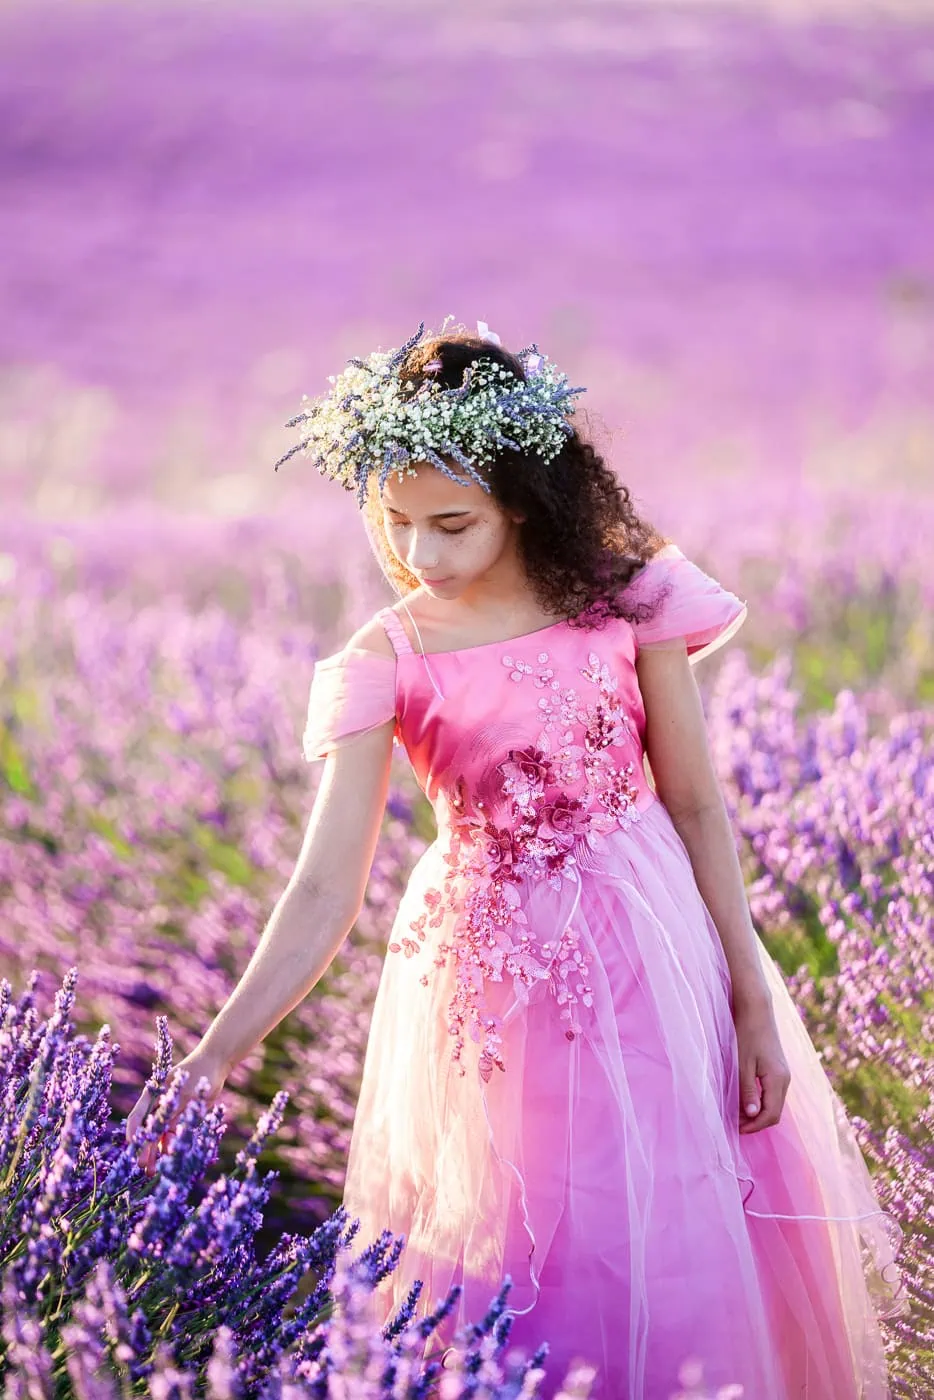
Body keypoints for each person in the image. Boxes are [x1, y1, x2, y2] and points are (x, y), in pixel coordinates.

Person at [126, 319, 905, 1399]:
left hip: (651, 946)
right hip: (490, 988)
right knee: (519, 1245)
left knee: (675, 1220)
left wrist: (752, 996)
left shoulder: (627, 596)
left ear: (524, 501)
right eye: (396, 525)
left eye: (452, 524)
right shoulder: (384, 658)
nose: (420, 556)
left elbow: (693, 801)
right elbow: (320, 886)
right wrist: (213, 1054)